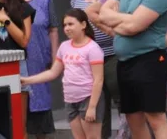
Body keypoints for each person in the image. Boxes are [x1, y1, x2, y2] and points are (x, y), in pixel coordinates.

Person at [90, 0, 167, 139]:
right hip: (125, 63)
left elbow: (134, 26)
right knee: (133, 118)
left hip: (149, 61)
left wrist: (122, 22)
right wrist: (127, 20)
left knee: (155, 118)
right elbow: (102, 13)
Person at [115, 0, 167, 139]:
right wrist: (118, 31)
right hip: (132, 61)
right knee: (133, 117)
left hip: (164, 60)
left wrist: (161, 42)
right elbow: (97, 13)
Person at [22, 9, 105, 139]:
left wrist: (92, 107)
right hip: (70, 100)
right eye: (65, 25)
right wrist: (27, 80)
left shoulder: (92, 48)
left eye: (71, 24)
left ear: (83, 25)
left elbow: (98, 79)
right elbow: (53, 72)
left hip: (87, 98)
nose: (66, 28)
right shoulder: (64, 46)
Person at [71, 0, 122, 139]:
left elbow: (119, 18)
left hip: (111, 53)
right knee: (96, 103)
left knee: (119, 98)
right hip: (86, 57)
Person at [15, 0, 58, 138]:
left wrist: (56, 59)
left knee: (40, 107)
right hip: (17, 62)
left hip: (40, 60)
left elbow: (53, 29)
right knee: (18, 112)